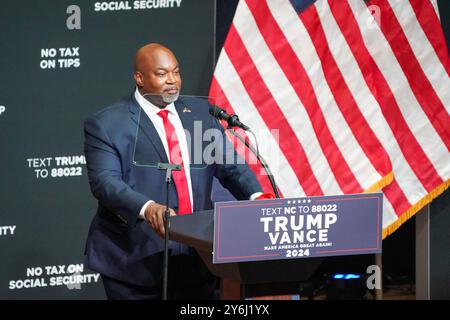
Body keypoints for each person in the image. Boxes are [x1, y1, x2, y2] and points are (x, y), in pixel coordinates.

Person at [83, 43, 264, 300]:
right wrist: (147, 208)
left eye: (176, 72)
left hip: (198, 257)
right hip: (134, 261)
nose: (172, 81)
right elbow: (105, 182)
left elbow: (231, 166)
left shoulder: (201, 113)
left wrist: (257, 199)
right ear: (140, 78)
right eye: (161, 74)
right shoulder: (107, 124)